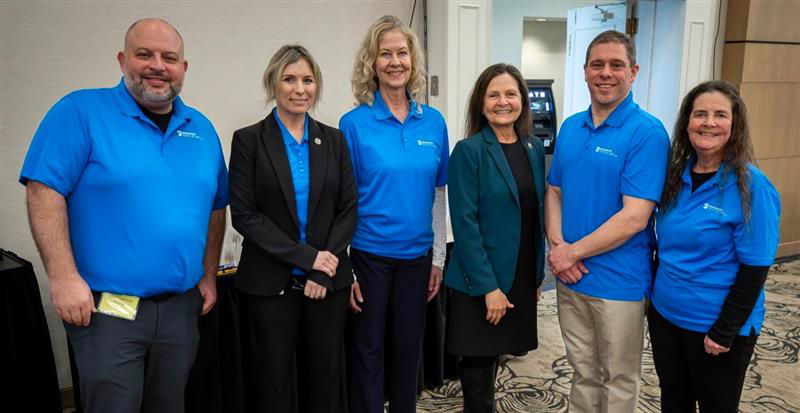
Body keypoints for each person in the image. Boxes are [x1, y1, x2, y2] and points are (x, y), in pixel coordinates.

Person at [19, 18, 228, 413]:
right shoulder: (80, 111)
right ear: (122, 59)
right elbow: (43, 190)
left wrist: (208, 274)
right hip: (107, 311)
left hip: (181, 310)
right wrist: (63, 278)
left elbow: (217, 206)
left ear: (184, 68)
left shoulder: (201, 128)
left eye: (169, 57)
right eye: (144, 54)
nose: (157, 65)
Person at [544, 30, 670, 413]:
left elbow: (634, 217)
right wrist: (557, 247)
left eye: (616, 65)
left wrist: (569, 253)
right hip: (571, 278)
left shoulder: (646, 133)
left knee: (618, 379)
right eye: (597, 64)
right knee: (582, 372)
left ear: (633, 72)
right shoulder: (570, 127)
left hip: (619, 283)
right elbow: (555, 192)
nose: (606, 73)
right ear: (584, 71)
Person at [228, 45, 357, 413]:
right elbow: (245, 216)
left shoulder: (334, 140)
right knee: (274, 383)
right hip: (270, 285)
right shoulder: (249, 140)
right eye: (289, 79)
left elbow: (348, 209)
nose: (300, 88)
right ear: (273, 83)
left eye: (308, 80)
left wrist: (322, 268)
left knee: (325, 379)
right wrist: (309, 258)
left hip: (327, 284)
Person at [649, 80, 780, 412]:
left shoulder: (751, 186)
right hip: (666, 317)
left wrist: (724, 331)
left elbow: (755, 269)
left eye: (720, 115)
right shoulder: (676, 177)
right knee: (674, 401)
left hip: (716, 326)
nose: (708, 122)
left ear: (734, 126)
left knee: (715, 407)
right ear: (687, 123)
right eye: (700, 114)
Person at [340, 15, 449, 413]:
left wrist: (438, 257)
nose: (394, 62)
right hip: (368, 256)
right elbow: (343, 200)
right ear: (371, 63)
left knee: (409, 348)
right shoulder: (353, 124)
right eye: (384, 54)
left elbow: (438, 194)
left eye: (402, 53)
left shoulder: (434, 122)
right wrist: (346, 267)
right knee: (368, 349)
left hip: (417, 259)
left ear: (413, 61)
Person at [445, 63, 545, 413]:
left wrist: (535, 275)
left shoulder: (533, 148)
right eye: (494, 95)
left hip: (518, 275)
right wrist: (489, 288)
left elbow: (535, 216)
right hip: (480, 281)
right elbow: (465, 225)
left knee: (498, 361)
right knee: (478, 368)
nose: (503, 102)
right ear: (481, 103)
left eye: (511, 94)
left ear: (522, 100)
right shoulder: (468, 151)